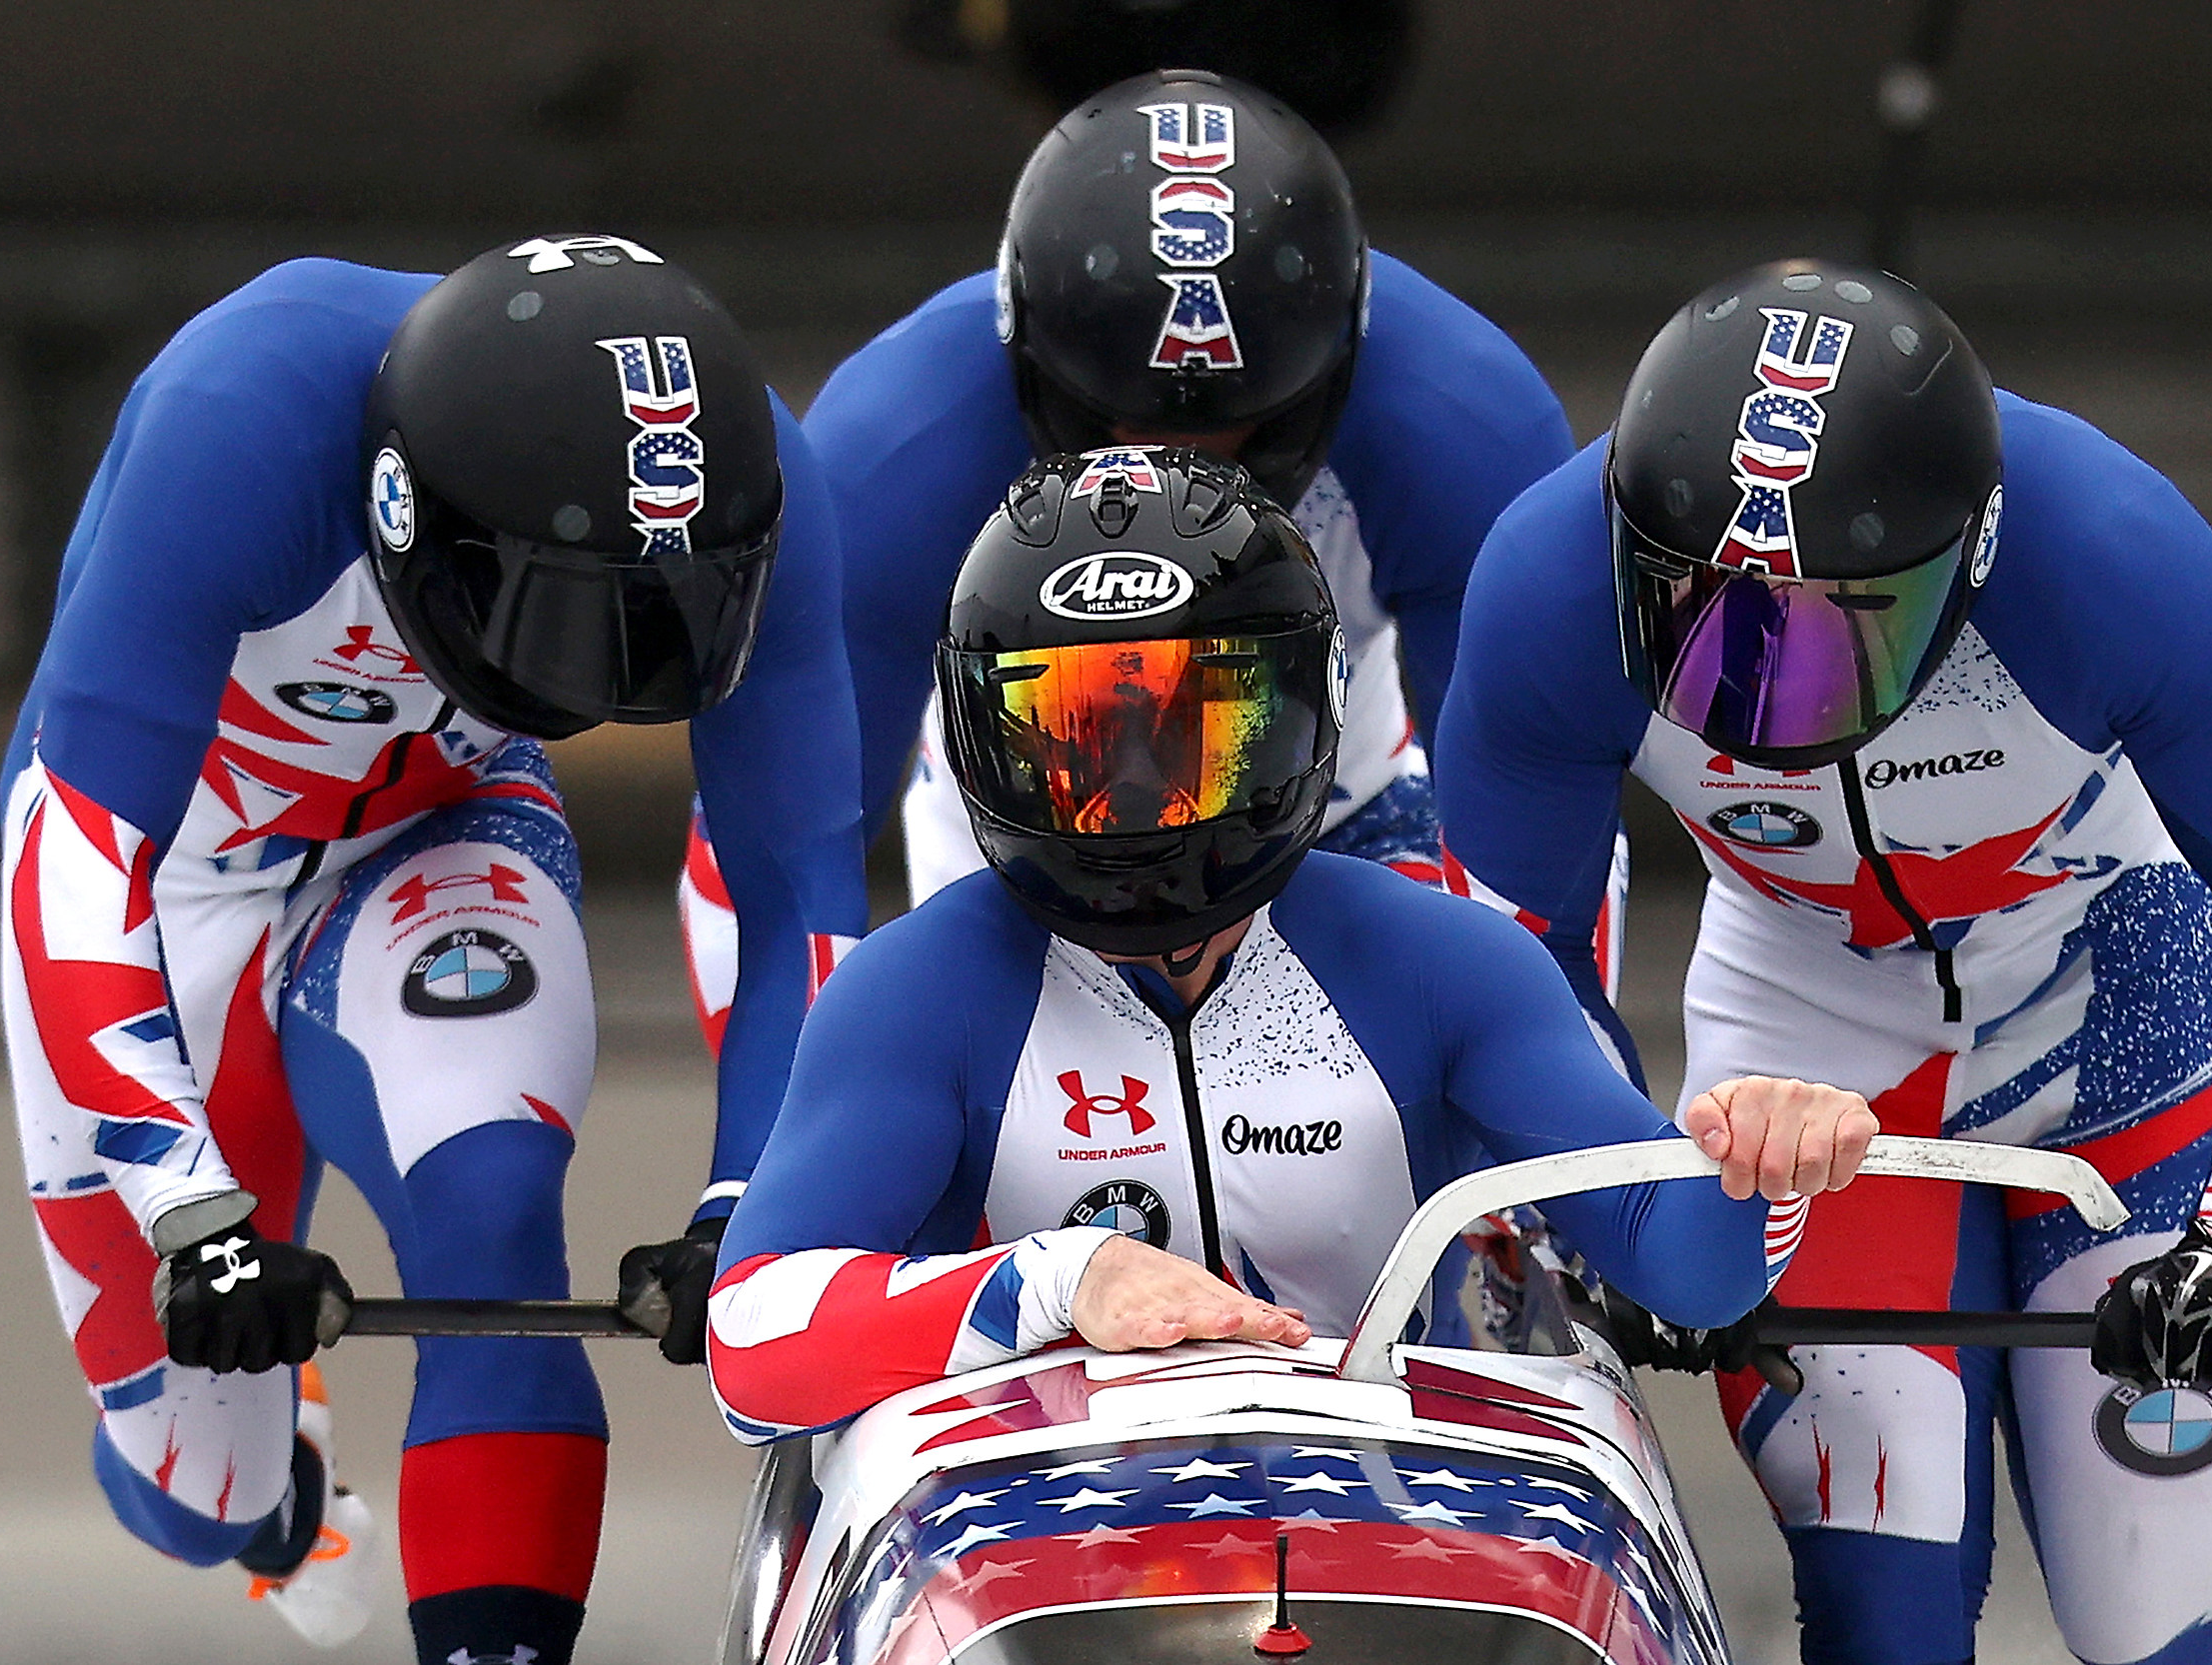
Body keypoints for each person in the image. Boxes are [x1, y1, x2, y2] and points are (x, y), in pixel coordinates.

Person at [1432, 259, 2212, 1665]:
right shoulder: (1542, 588)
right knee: (1881, 1602)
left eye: (1840, 622)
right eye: (1701, 610)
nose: (1761, 686)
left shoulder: (2112, 548)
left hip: (2122, 990)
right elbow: (1511, 970)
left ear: (1975, 553)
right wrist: (1618, 1220)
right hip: (1811, 1034)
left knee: (2157, 1604)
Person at [0, 238, 865, 1665]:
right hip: (161, 874)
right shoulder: (245, 413)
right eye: (562, 617)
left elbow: (801, 892)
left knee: (498, 1208)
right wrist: (192, 1212)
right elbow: (77, 852)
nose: (602, 676)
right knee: (198, 1491)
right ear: (402, 506)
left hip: (441, 822)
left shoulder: (757, 478)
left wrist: (748, 1201)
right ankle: (279, 1506)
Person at [703, 447, 1875, 1439]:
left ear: (1303, 722)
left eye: (1193, 736)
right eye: (1074, 741)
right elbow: (753, 1338)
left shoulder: (1442, 966)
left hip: (1373, 1517)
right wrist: (1062, 1281)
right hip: (1035, 1534)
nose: (1133, 797)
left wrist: (1757, 1165)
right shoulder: (916, 994)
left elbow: (1681, 1265)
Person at [673, 68, 1605, 1060]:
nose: (1175, 483)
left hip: (1339, 821)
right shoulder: (893, 451)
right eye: (1134, 426)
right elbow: (782, 849)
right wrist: (764, 1180)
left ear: (1330, 376)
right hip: (1031, 846)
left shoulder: (1463, 428)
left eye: (1229, 432)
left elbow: (1534, 805)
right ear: (1031, 368)